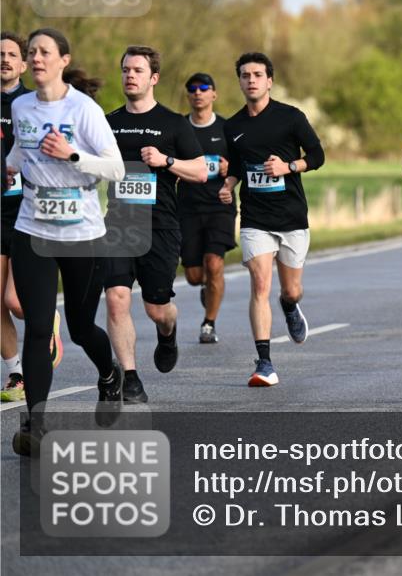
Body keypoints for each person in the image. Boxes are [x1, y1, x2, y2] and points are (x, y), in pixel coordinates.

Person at [6, 28, 126, 455]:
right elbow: (21, 152)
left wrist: (73, 155)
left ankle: (110, 375)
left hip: (81, 232)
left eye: (43, 52)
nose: (35, 57)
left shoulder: (84, 109)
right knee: (38, 327)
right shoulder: (21, 105)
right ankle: (36, 425)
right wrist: (8, 166)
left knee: (78, 326)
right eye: (30, 52)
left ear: (62, 60)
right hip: (32, 226)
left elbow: (115, 169)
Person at [104, 46, 207, 403]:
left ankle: (168, 330)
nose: (130, 76)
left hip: (160, 226)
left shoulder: (173, 123)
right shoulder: (109, 122)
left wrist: (166, 160)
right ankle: (130, 377)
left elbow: (202, 170)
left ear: (154, 78)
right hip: (118, 225)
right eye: (125, 70)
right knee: (117, 299)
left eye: (137, 70)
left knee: (155, 308)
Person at [219, 52, 325, 387]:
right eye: (245, 75)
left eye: (257, 75)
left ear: (269, 81)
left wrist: (289, 166)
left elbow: (318, 156)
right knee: (260, 283)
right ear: (239, 81)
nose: (251, 80)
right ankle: (264, 363)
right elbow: (236, 164)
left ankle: (290, 306)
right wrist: (229, 183)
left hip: (291, 216)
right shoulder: (232, 125)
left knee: (290, 290)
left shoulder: (291, 117)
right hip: (254, 217)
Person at [1, 32, 65, 403]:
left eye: (12, 54)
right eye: (0, 54)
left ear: (24, 64)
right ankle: (16, 373)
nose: (5, 59)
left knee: (16, 302)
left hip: (30, 209)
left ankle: (46, 320)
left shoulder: (33, 104)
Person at [178, 73, 235, 344]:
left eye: (204, 88)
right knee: (193, 275)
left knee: (214, 263)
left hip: (219, 205)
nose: (198, 92)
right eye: (192, 89)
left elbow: (242, 164)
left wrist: (229, 169)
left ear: (214, 94)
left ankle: (209, 323)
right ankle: (206, 287)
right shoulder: (179, 128)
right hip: (187, 207)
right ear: (188, 95)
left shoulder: (227, 128)